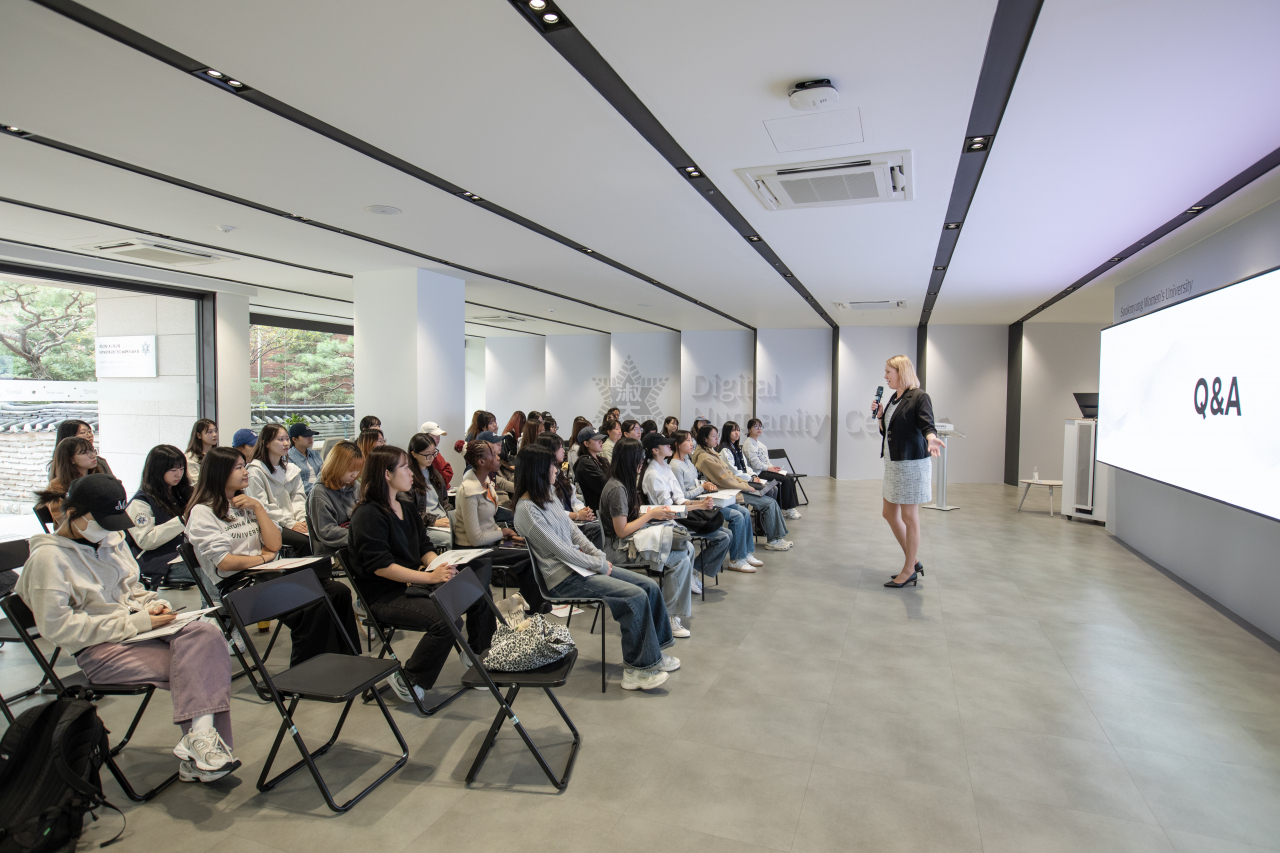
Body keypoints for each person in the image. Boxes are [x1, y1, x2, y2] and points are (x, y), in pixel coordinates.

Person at [18, 474, 241, 783]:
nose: (109, 530)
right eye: (102, 522)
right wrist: (135, 621)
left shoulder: (110, 539)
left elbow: (132, 588)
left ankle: (200, 743)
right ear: (73, 514)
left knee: (207, 634)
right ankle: (203, 750)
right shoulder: (48, 559)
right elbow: (59, 628)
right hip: (100, 650)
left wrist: (151, 604)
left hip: (139, 631)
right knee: (202, 662)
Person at [512, 445, 678, 691]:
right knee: (634, 596)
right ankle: (637, 669)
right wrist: (598, 563)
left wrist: (597, 556)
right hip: (562, 579)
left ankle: (653, 653)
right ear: (538, 470)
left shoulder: (548, 495)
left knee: (649, 586)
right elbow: (561, 550)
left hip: (580, 568)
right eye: (551, 466)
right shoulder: (526, 511)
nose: (556, 470)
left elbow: (574, 534)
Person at [349, 446, 496, 705]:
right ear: (386, 474)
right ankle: (410, 678)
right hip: (385, 595)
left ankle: (477, 655)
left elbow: (424, 548)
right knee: (445, 619)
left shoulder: (404, 506)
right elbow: (381, 567)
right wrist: (430, 577)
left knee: (476, 592)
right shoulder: (368, 514)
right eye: (405, 467)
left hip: (414, 583)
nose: (411, 473)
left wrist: (441, 565)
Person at [185, 447, 359, 665]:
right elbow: (226, 563)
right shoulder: (203, 512)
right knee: (313, 603)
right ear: (219, 473)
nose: (245, 471)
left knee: (338, 591)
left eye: (244, 465)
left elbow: (274, 544)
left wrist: (258, 508)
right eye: (238, 467)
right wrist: (263, 558)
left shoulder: (246, 503)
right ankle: (310, 671)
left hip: (267, 576)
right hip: (240, 588)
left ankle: (348, 660)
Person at [601, 438, 696, 638]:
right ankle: (669, 616)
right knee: (680, 560)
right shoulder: (617, 488)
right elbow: (621, 531)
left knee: (685, 549)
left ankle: (668, 609)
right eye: (639, 459)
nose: (642, 463)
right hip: (619, 549)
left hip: (629, 540)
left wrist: (651, 514)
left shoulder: (622, 483)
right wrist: (650, 516)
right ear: (630, 461)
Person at [873, 354, 944, 589]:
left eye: (888, 372)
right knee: (888, 513)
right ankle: (912, 561)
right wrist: (881, 416)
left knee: (909, 517)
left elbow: (927, 424)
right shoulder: (894, 398)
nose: (885, 377)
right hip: (894, 464)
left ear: (901, 371)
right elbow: (888, 432)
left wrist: (932, 439)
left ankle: (908, 569)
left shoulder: (919, 397)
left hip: (912, 465)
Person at [456, 440, 545, 610]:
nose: (499, 458)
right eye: (494, 455)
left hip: (489, 543)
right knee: (527, 556)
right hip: (473, 550)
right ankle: (536, 608)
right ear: (481, 462)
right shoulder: (469, 491)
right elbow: (475, 538)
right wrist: (503, 533)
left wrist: (509, 534)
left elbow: (488, 524)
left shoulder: (486, 483)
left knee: (530, 551)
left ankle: (534, 606)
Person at [641, 432, 731, 593]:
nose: (670, 445)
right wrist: (699, 507)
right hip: (669, 521)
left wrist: (700, 503)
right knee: (723, 536)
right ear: (655, 450)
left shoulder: (665, 467)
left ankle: (693, 571)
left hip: (680, 514)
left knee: (727, 534)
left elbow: (680, 499)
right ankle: (692, 571)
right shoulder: (654, 474)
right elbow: (668, 511)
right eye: (665, 444)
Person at [671, 430, 761, 572]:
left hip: (702, 499)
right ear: (677, 445)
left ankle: (745, 553)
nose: (691, 443)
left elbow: (696, 483)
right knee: (737, 516)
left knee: (744, 511)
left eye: (691, 440)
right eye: (687, 440)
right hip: (694, 506)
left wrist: (705, 487)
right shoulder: (675, 466)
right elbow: (681, 497)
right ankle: (736, 559)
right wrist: (702, 487)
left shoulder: (687, 460)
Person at [693, 425, 792, 551]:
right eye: (713, 436)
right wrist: (746, 486)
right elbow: (725, 480)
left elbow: (731, 474)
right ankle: (773, 539)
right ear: (705, 439)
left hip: (735, 487)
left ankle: (777, 537)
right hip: (727, 492)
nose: (717, 438)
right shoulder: (706, 457)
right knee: (769, 503)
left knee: (770, 497)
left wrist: (747, 482)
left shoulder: (712, 452)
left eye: (717, 435)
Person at [127, 444, 195, 589]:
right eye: (173, 470)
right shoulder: (141, 502)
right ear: (157, 471)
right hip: (159, 564)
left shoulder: (181, 494)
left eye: (182, 469)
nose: (179, 474)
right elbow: (145, 540)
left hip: (185, 556)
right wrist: (182, 520)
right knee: (209, 572)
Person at [246, 424, 311, 556]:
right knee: (305, 541)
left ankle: (320, 575)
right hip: (271, 523)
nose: (286, 443)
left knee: (316, 534)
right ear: (266, 443)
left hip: (293, 520)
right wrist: (290, 523)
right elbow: (263, 507)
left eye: (287, 439)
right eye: (280, 440)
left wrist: (301, 519)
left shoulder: (291, 469)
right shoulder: (255, 471)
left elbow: (298, 498)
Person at [536, 433, 602, 547]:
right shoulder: (543, 478)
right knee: (598, 529)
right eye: (560, 447)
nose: (564, 450)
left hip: (571, 520)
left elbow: (573, 500)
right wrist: (576, 515)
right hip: (561, 525)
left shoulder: (558, 472)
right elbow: (551, 511)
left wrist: (584, 511)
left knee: (599, 524)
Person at [725, 420, 800, 518]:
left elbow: (766, 461)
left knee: (789, 477)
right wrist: (768, 468)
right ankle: (785, 509)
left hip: (765, 470)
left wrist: (772, 467)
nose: (759, 429)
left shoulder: (761, 445)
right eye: (756, 427)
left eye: (761, 426)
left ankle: (788, 507)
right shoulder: (748, 444)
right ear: (749, 429)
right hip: (758, 472)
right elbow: (755, 464)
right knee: (785, 480)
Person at [306, 440, 362, 559]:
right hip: (334, 551)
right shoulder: (319, 493)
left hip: (354, 543)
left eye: (358, 470)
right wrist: (361, 535)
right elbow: (326, 532)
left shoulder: (354, 485)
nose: (355, 475)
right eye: (351, 470)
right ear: (337, 466)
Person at [37, 437, 103, 526]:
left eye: (93, 450)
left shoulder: (98, 479)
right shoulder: (57, 485)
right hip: (76, 533)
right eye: (84, 453)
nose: (92, 455)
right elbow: (63, 520)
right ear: (70, 459)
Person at [407, 432, 453, 551]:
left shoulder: (435, 474)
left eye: (434, 453)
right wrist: (433, 521)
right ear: (414, 454)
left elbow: (444, 501)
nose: (432, 458)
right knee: (452, 539)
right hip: (425, 526)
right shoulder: (408, 478)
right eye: (427, 455)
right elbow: (410, 512)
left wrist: (453, 517)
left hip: (443, 521)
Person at [572, 425, 609, 513]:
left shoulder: (602, 460)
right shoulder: (584, 462)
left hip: (609, 505)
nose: (601, 442)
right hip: (599, 510)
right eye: (596, 440)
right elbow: (605, 485)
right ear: (586, 443)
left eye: (601, 439)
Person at [287, 423, 324, 496]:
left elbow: (324, 473)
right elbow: (296, 485)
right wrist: (320, 488)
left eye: (311, 435)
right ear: (294, 439)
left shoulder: (315, 454)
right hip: (304, 495)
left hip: (321, 492)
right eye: (306, 436)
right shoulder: (288, 457)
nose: (310, 438)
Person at [420, 421, 454, 487]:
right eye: (434, 436)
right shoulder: (420, 455)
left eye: (439, 436)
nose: (438, 439)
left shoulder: (436, 453)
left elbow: (449, 472)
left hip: (440, 489)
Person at [184, 418, 218, 484]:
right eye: (210, 432)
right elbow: (197, 482)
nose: (215, 435)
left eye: (216, 431)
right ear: (199, 435)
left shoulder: (218, 453)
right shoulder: (191, 456)